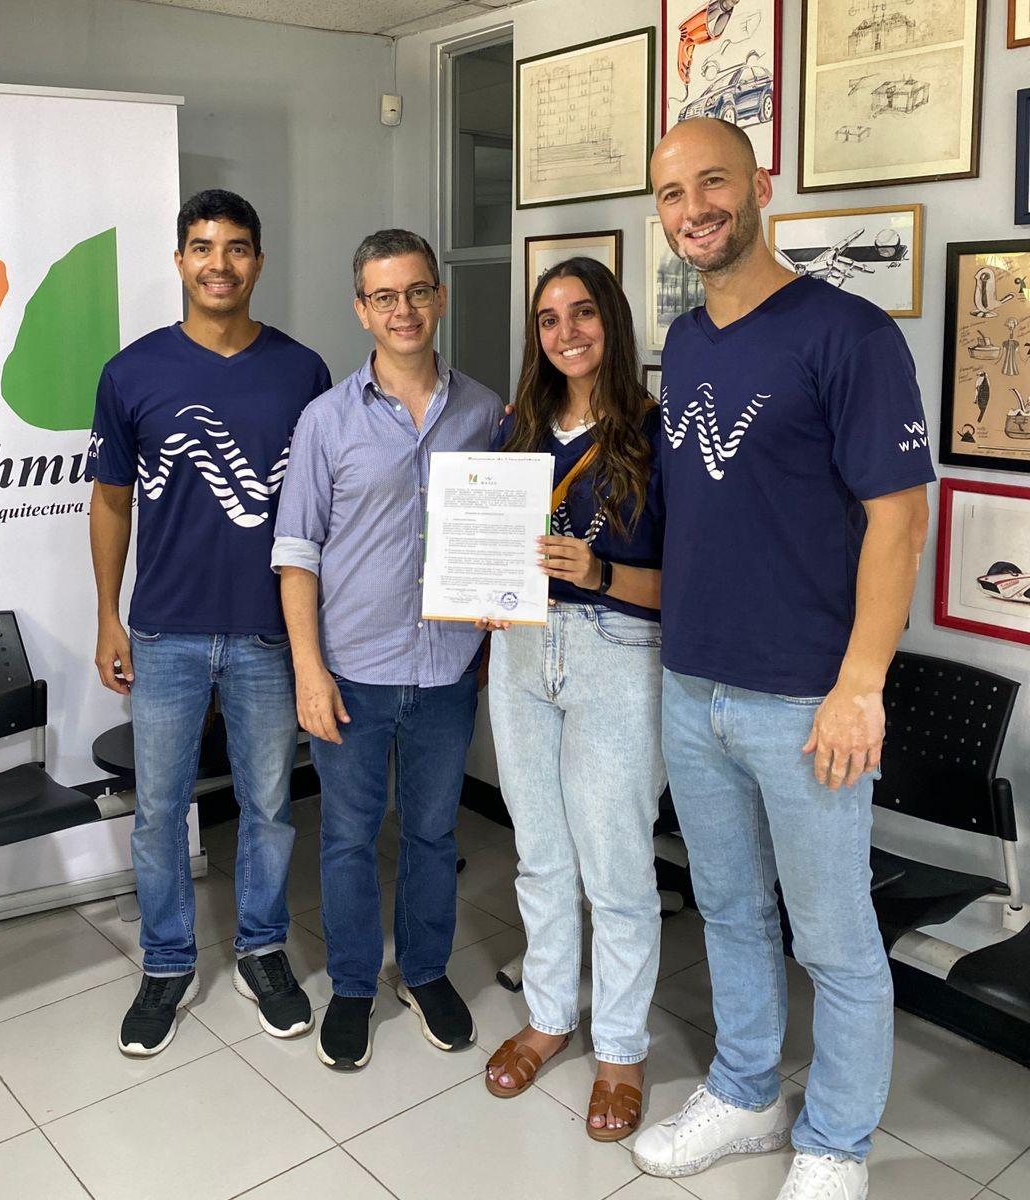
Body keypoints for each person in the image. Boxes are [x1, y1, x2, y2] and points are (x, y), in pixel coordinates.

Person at [631, 118, 933, 1200]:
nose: (693, 209)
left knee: (835, 940)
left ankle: (838, 1144)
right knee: (728, 910)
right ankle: (748, 1092)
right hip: (693, 684)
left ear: (760, 184)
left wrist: (861, 687)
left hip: (806, 697)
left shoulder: (847, 333)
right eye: (672, 194)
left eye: (712, 182)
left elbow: (900, 521)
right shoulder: (688, 342)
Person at [88, 189, 331, 1057]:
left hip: (268, 634)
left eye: (235, 248)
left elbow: (322, 507)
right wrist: (107, 616)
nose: (218, 264)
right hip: (166, 633)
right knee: (158, 811)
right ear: (180, 260)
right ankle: (166, 961)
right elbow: (110, 501)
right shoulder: (132, 373)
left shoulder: (302, 372)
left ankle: (262, 951)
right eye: (202, 247)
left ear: (258, 261)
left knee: (268, 806)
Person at [272, 229, 502, 1070]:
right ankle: (354, 984)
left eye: (416, 292)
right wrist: (309, 669)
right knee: (347, 836)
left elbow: (505, 529)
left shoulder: (486, 413)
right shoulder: (325, 421)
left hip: (447, 671)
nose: (402, 310)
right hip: (353, 674)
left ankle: (427, 972)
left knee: (434, 835)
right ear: (361, 310)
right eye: (384, 297)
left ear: (439, 297)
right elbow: (296, 553)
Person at [480, 258, 666, 1143]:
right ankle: (550, 1016)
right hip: (520, 653)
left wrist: (600, 573)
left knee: (617, 867)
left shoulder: (656, 434)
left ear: (611, 321)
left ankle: (621, 1049)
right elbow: (487, 548)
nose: (566, 333)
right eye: (549, 319)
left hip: (617, 655)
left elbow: (685, 586)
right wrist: (479, 588)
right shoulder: (514, 431)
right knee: (541, 855)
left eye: (582, 313)